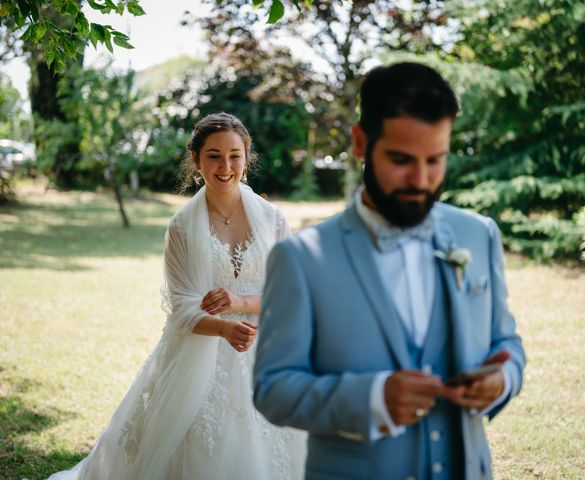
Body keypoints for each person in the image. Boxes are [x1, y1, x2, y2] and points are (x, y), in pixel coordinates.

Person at [253, 63, 526, 480]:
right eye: (401, 159)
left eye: (436, 160)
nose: (421, 180)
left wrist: (503, 379)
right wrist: (373, 398)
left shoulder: (478, 236)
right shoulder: (301, 258)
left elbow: (507, 343)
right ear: (361, 143)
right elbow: (273, 389)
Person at [50, 112, 305, 480]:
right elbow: (182, 309)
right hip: (200, 355)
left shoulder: (273, 219)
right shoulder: (182, 227)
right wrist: (224, 328)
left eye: (235, 155)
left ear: (247, 158)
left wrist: (240, 305)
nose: (225, 166)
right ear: (196, 160)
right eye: (214, 155)